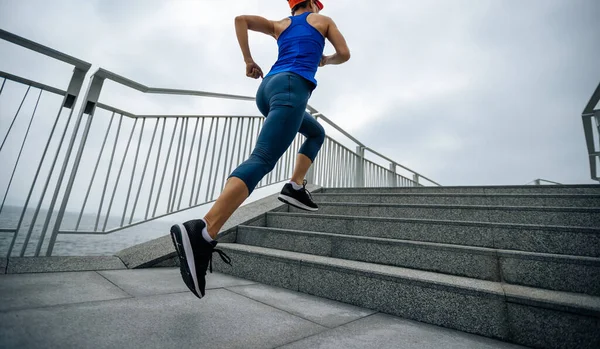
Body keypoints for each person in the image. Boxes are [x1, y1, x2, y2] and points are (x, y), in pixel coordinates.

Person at [170, 0, 350, 299]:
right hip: (294, 86)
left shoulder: (281, 25)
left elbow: (241, 19)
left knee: (316, 132)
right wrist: (326, 59)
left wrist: (248, 61)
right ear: (312, 5)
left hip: (267, 90)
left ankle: (295, 185)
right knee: (263, 157)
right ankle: (203, 231)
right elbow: (344, 54)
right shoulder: (322, 21)